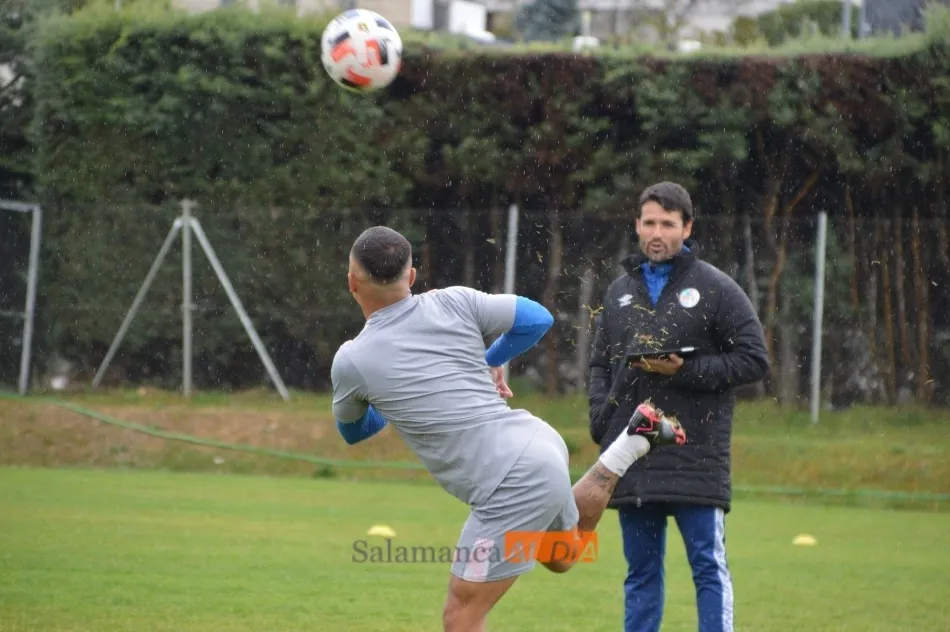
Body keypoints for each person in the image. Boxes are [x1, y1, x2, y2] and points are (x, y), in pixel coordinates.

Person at [331, 225, 687, 632]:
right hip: (539, 442)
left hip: (509, 483)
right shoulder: (455, 300)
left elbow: (353, 431)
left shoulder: (352, 361)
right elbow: (538, 319)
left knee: (461, 616)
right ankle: (630, 443)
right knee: (562, 556)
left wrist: (393, 397)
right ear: (411, 277)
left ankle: (630, 442)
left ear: (351, 282)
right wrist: (489, 357)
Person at [587, 182, 770, 632]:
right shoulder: (618, 293)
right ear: (636, 226)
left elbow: (754, 360)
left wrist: (682, 371)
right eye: (649, 222)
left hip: (696, 455)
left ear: (686, 228)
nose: (657, 233)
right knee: (641, 573)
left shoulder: (716, 288)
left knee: (707, 568)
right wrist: (603, 420)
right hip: (634, 452)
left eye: (668, 224)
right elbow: (598, 363)